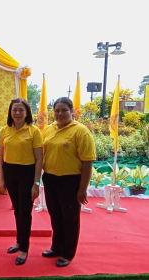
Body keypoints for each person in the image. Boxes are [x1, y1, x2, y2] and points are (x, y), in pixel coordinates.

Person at [41, 97, 96, 267]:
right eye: (57, 110)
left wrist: (82, 189)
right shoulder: (48, 129)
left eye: (64, 110)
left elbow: (87, 162)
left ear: (72, 111)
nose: (60, 113)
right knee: (55, 216)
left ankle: (67, 253)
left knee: (70, 218)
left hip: (70, 182)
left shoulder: (81, 131)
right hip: (50, 179)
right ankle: (56, 247)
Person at [0, 98, 43, 266]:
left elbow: (39, 159)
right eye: (14, 110)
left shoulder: (33, 131)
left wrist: (36, 183)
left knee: (25, 212)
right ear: (10, 112)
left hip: (27, 173)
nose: (17, 113)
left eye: (21, 110)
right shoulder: (5, 130)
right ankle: (19, 241)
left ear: (27, 113)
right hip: (10, 173)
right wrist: (2, 177)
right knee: (17, 210)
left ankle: (24, 248)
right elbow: (1, 156)